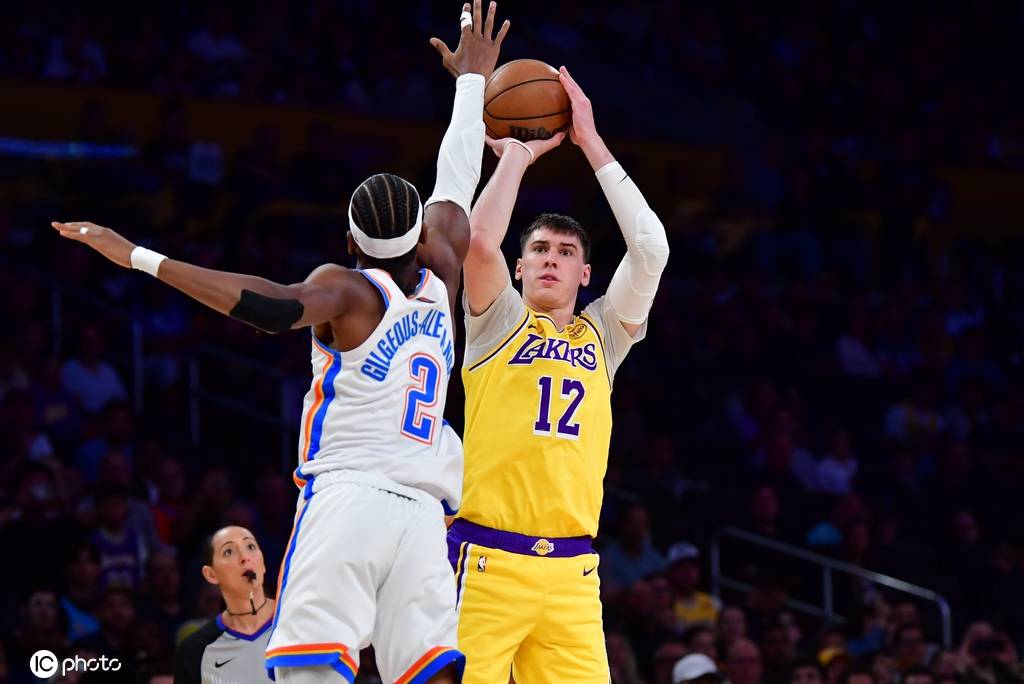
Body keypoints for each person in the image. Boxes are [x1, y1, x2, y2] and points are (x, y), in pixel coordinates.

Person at [53, 2, 508, 680]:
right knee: (431, 672)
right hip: (423, 512)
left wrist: (140, 257)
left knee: (308, 670)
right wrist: (472, 81)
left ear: (350, 241)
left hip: (348, 498)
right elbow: (457, 176)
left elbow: (267, 306)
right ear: (418, 236)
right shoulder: (442, 266)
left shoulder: (348, 291)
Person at [449, 63, 669, 682]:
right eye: (539, 250)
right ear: (519, 268)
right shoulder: (497, 321)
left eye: (566, 252)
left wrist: (590, 143)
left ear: (585, 274)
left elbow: (651, 249)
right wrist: (516, 157)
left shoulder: (604, 334)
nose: (551, 259)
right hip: (488, 563)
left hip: (573, 574)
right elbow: (479, 244)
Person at [174, 526, 276, 683]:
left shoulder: (298, 622)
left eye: (250, 547)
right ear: (211, 574)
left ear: (262, 564)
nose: (244, 557)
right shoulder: (195, 651)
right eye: (229, 552)